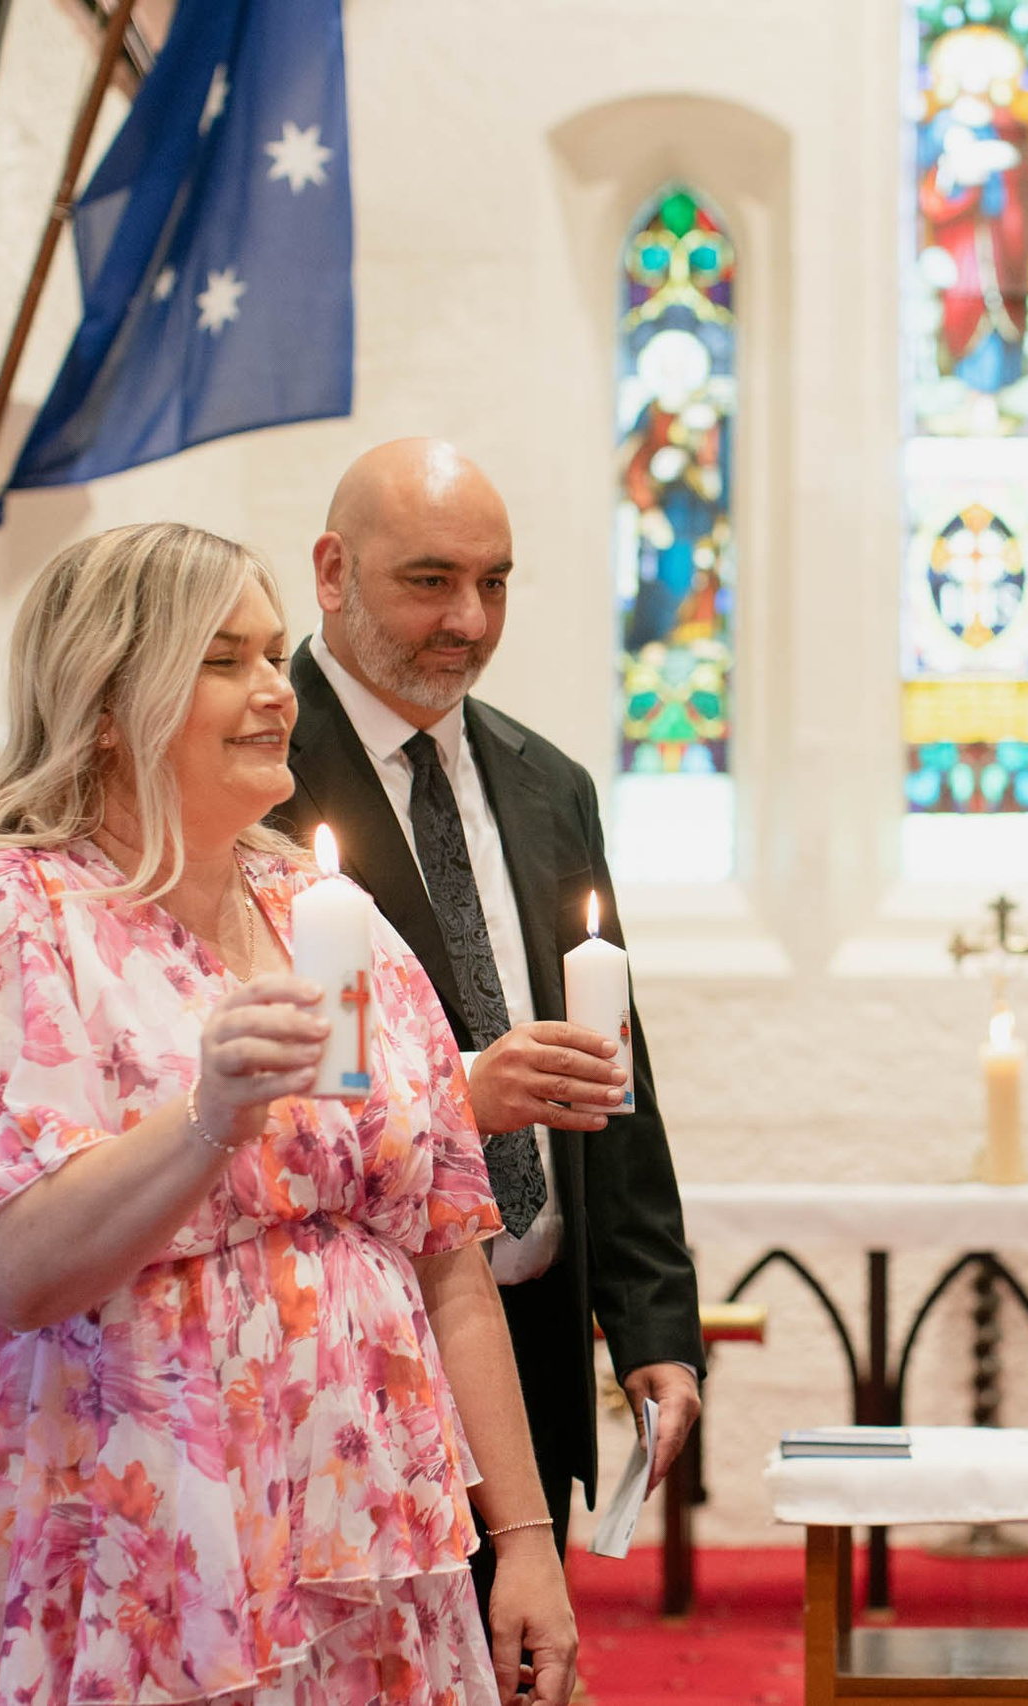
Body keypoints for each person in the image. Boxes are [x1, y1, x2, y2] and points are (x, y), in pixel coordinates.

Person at [0, 522, 578, 1704]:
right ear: (112, 698)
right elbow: (18, 1272)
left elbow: (447, 1257)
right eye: (226, 658)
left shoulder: (325, 911)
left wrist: (527, 1538)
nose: (278, 689)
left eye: (277, 654)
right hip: (119, 1526)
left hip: (357, 1524)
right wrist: (207, 1117)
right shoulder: (6, 919)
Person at [272, 440, 705, 1608]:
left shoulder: (544, 780)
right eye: (429, 580)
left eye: (496, 581)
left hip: (535, 1320)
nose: (468, 617)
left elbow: (612, 1068)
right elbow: (257, 1062)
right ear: (331, 569)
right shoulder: (255, 766)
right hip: (355, 1331)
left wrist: (654, 1318)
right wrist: (466, 1081)